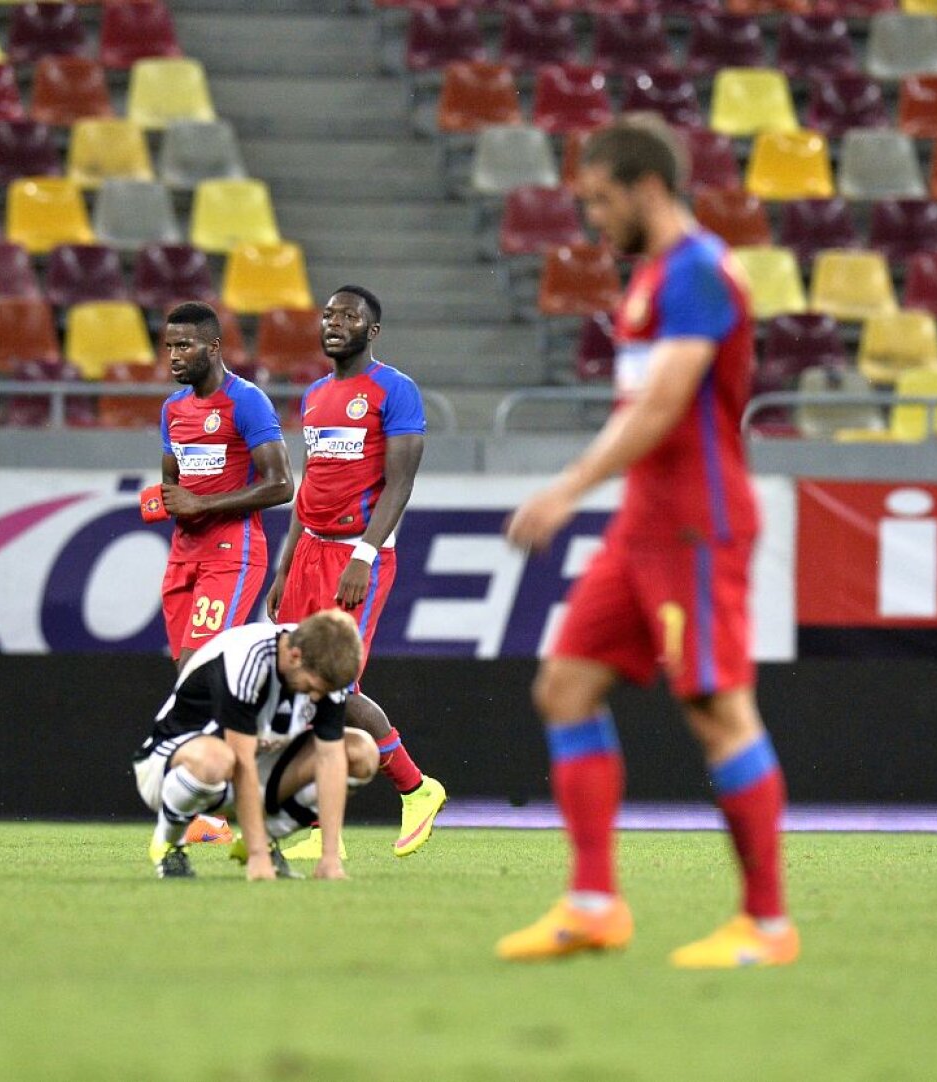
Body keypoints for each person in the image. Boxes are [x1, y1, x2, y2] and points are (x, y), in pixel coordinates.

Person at [495, 117, 799, 968]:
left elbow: (664, 408)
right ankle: (594, 905)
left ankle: (767, 924)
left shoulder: (701, 272)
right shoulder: (655, 277)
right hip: (644, 525)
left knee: (716, 710)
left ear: (646, 187)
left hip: (697, 526)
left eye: (599, 200)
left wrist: (565, 489)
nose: (593, 221)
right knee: (565, 686)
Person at [266, 285, 447, 858]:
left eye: (349, 316)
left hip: (356, 554)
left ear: (372, 331)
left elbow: (401, 483)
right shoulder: (316, 395)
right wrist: (284, 564)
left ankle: (415, 788)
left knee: (334, 687)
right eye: (328, 314)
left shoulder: (396, 390)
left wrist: (364, 556)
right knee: (298, 684)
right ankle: (320, 829)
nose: (333, 322)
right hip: (310, 552)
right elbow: (312, 486)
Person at [133, 609, 378, 881]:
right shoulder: (248, 657)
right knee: (218, 759)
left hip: (249, 769)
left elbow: (330, 759)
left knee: (361, 752)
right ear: (295, 657)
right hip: (170, 767)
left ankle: (268, 835)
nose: (316, 697)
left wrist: (330, 859)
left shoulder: (320, 659)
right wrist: (257, 854)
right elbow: (242, 763)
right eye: (312, 688)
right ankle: (169, 843)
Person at [144, 301, 294, 671]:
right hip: (183, 553)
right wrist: (165, 500)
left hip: (231, 552)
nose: (173, 357)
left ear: (213, 347)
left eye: (184, 346)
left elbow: (281, 485)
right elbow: (173, 478)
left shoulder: (247, 400)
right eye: (169, 347)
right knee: (186, 676)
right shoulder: (173, 409)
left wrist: (201, 504)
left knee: (201, 669)